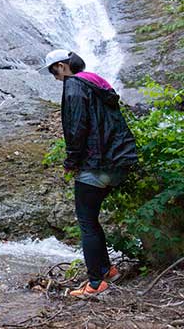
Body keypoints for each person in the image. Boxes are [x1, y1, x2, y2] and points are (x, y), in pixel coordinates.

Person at [40, 49, 138, 298]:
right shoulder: (95, 82)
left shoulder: (73, 86)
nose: (54, 76)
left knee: (87, 222)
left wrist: (71, 162)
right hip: (117, 161)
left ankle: (96, 283)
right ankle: (108, 271)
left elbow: (76, 128)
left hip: (95, 164)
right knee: (92, 219)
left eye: (53, 70)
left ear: (62, 66)